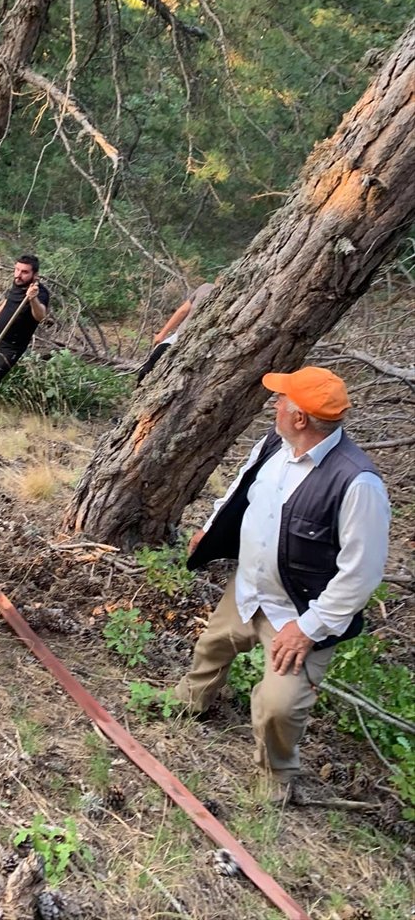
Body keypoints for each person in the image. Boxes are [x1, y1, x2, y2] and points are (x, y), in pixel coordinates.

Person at [174, 366, 390, 799]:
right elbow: (239, 493)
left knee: (279, 707)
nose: (273, 404)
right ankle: (187, 704)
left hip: (301, 611)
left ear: (300, 418)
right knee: (212, 647)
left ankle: (276, 778)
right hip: (249, 587)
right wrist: (212, 527)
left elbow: (361, 574)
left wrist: (308, 629)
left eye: (280, 400)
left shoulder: (358, 484)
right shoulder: (274, 444)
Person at [0, 255, 49, 414]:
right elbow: (8, 301)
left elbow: (40, 316)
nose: (18, 274)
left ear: (35, 275)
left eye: (24, 272)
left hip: (12, 346)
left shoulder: (40, 292)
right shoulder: (17, 283)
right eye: (17, 270)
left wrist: (33, 299)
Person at [136, 281, 215, 384]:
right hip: (179, 337)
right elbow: (182, 311)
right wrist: (162, 334)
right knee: (150, 365)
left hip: (198, 345)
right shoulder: (205, 287)